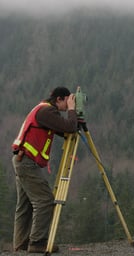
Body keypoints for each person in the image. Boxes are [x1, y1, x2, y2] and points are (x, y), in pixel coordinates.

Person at [11, 87, 78, 253]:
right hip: (26, 162)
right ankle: (37, 242)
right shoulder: (46, 111)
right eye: (66, 101)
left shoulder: (42, 110)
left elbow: (64, 129)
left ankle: (21, 244)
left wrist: (75, 120)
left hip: (22, 160)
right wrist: (72, 110)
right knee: (45, 200)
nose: (67, 105)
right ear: (59, 99)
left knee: (25, 204)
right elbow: (69, 127)